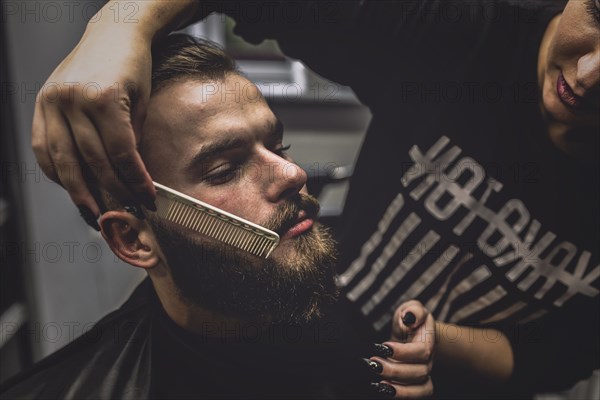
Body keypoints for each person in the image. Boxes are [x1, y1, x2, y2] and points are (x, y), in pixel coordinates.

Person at [21, 0, 600, 398]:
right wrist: (118, 25)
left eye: (280, 145)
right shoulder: (461, 36)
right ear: (132, 236)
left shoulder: (320, 320)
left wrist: (437, 344)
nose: (295, 175)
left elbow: (565, 350)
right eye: (224, 168)